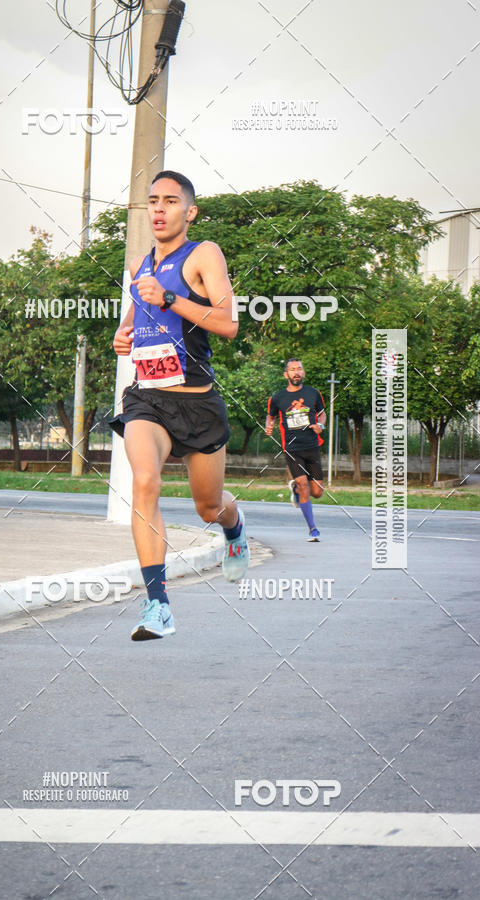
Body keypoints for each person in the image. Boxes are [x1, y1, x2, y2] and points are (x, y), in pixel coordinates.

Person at [110, 170, 250, 641]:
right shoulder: (139, 264)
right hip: (147, 400)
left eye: (170, 201)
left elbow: (228, 322)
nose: (159, 209)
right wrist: (122, 335)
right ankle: (158, 605)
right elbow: (136, 318)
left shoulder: (203, 254)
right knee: (145, 481)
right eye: (152, 200)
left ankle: (234, 527)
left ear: (189, 212)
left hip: (197, 403)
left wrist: (171, 296)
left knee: (208, 506)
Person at [265, 359, 326, 541]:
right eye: (292, 370)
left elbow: (322, 413)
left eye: (299, 368)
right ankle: (313, 529)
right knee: (304, 485)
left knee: (318, 492)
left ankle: (296, 490)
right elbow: (271, 416)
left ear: (303, 373)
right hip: (291, 448)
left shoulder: (313, 393)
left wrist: (320, 425)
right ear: (286, 375)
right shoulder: (277, 398)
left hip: (312, 446)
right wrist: (269, 426)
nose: (296, 372)